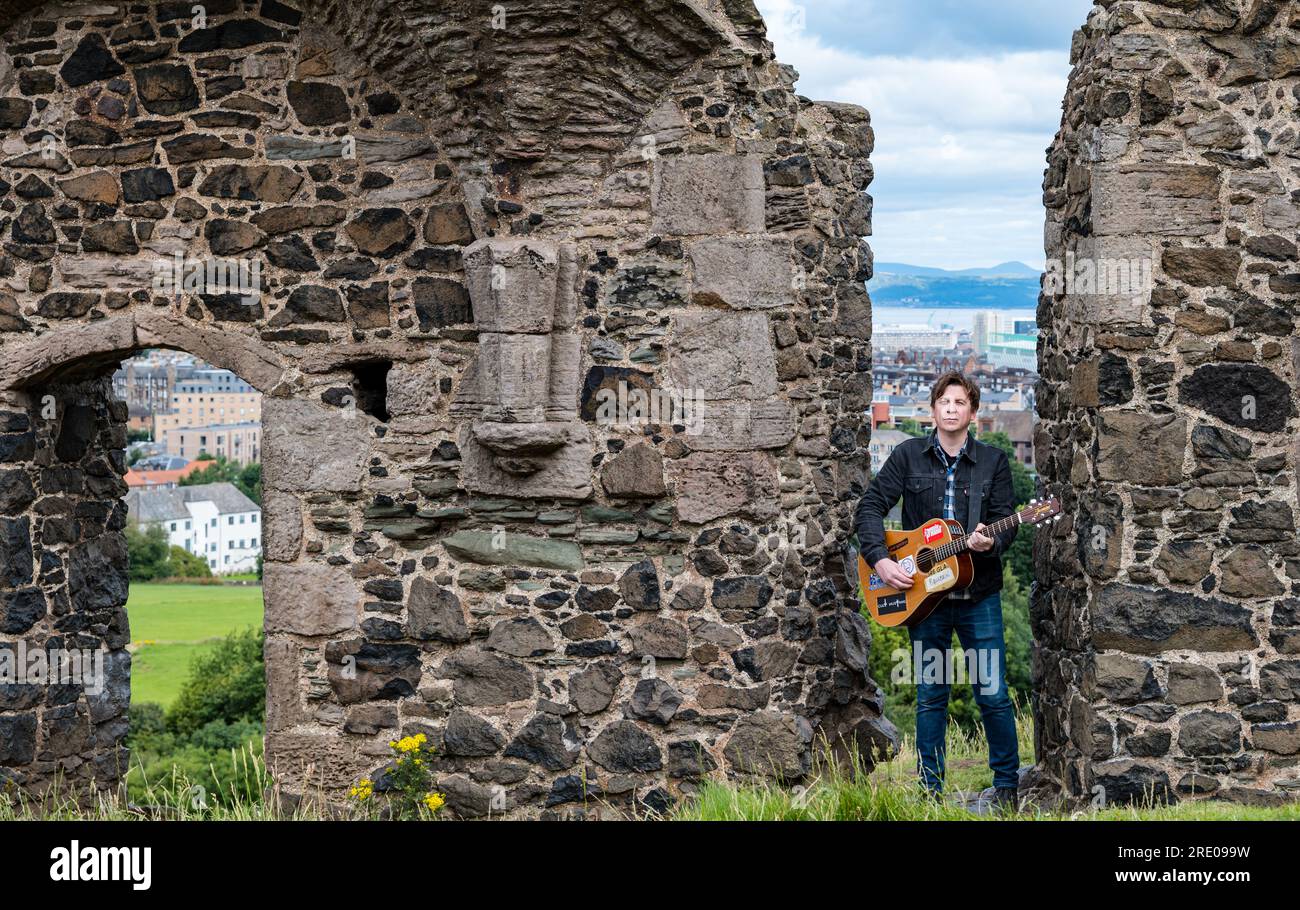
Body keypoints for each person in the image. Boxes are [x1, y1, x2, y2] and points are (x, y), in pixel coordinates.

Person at [853, 370, 1021, 813]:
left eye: (960, 402)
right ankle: (931, 791)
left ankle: (1006, 787)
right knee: (932, 695)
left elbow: (1007, 521)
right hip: (924, 602)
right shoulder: (908, 456)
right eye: (944, 402)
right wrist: (881, 560)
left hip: (977, 596)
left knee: (992, 691)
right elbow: (870, 506)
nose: (951, 409)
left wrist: (992, 540)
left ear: (973, 412)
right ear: (933, 409)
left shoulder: (993, 462)